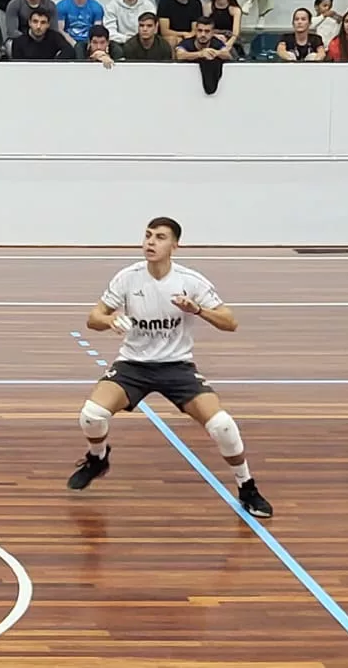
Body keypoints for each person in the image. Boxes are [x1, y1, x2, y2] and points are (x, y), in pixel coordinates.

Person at [74, 217, 272, 519]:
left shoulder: (190, 281)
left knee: (222, 425)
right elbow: (93, 318)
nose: (151, 242)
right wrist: (110, 320)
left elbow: (230, 322)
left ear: (175, 246)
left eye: (160, 237)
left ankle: (247, 486)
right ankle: (98, 458)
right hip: (133, 365)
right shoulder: (128, 278)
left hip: (177, 367)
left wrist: (198, 309)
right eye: (148, 235)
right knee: (91, 415)